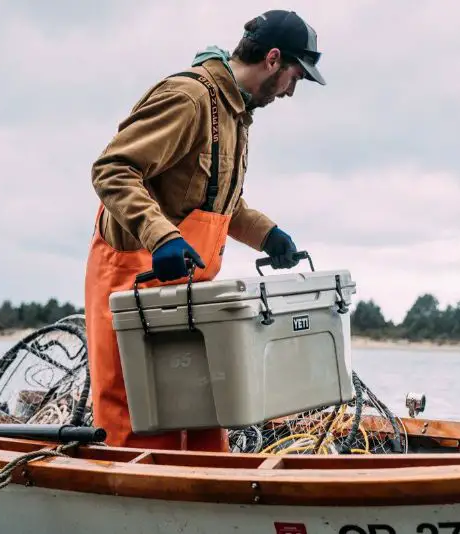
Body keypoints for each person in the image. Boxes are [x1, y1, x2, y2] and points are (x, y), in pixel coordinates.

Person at [83, 10, 327, 452]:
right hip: (131, 279)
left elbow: (219, 204)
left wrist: (269, 235)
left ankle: (209, 506)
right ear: (273, 59)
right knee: (137, 420)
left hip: (190, 289)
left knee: (202, 415)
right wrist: (161, 236)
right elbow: (113, 170)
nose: (292, 90)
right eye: (296, 76)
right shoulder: (189, 98)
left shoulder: (235, 114)